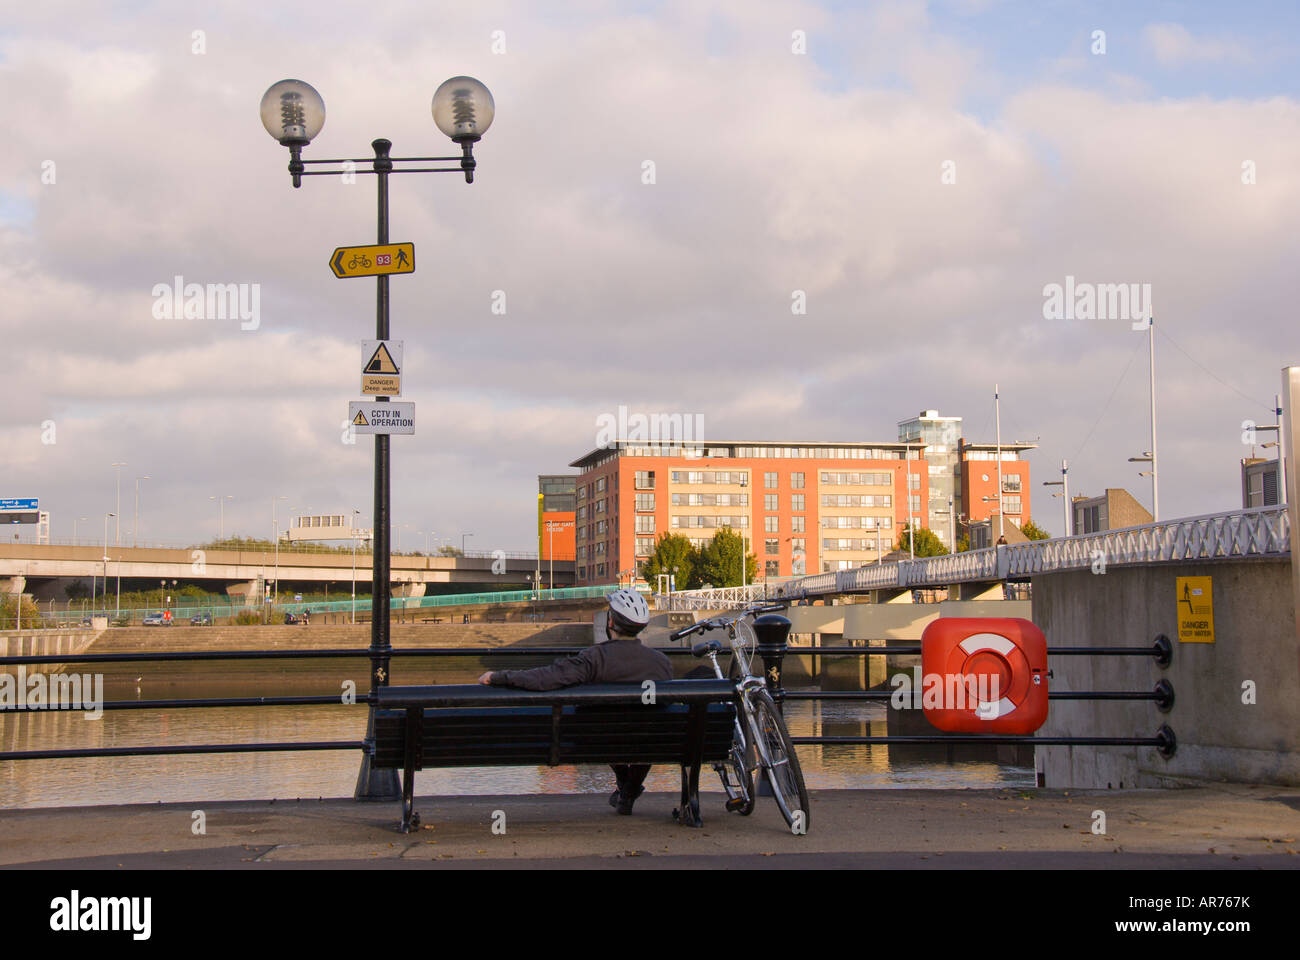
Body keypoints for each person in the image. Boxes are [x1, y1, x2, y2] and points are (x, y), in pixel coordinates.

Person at [478, 589, 671, 814]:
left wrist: (499, 676)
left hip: (598, 741)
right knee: (646, 728)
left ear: (610, 621)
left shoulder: (594, 658)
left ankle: (626, 787)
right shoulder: (662, 664)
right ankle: (628, 789)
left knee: (601, 723)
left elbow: (546, 678)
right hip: (652, 741)